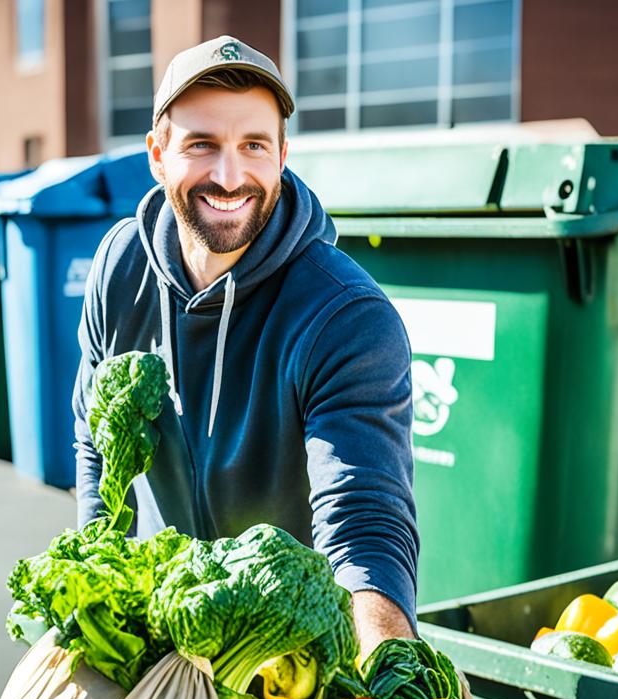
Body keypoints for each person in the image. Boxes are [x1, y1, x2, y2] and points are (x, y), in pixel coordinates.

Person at [72, 37, 418, 655]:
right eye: (201, 144)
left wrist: (386, 660)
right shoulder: (119, 266)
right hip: (156, 632)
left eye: (253, 145)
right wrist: (97, 592)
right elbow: (95, 445)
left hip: (288, 654)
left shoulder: (346, 315)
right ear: (157, 154)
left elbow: (363, 520)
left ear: (282, 155)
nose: (229, 176)